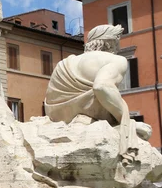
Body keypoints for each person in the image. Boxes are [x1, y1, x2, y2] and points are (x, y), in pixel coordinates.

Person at [45, 25, 151, 158]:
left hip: (59, 119)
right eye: (118, 40)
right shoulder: (116, 60)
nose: (118, 46)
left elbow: (50, 99)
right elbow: (102, 87)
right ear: (111, 42)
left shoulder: (64, 63)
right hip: (92, 118)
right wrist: (126, 123)